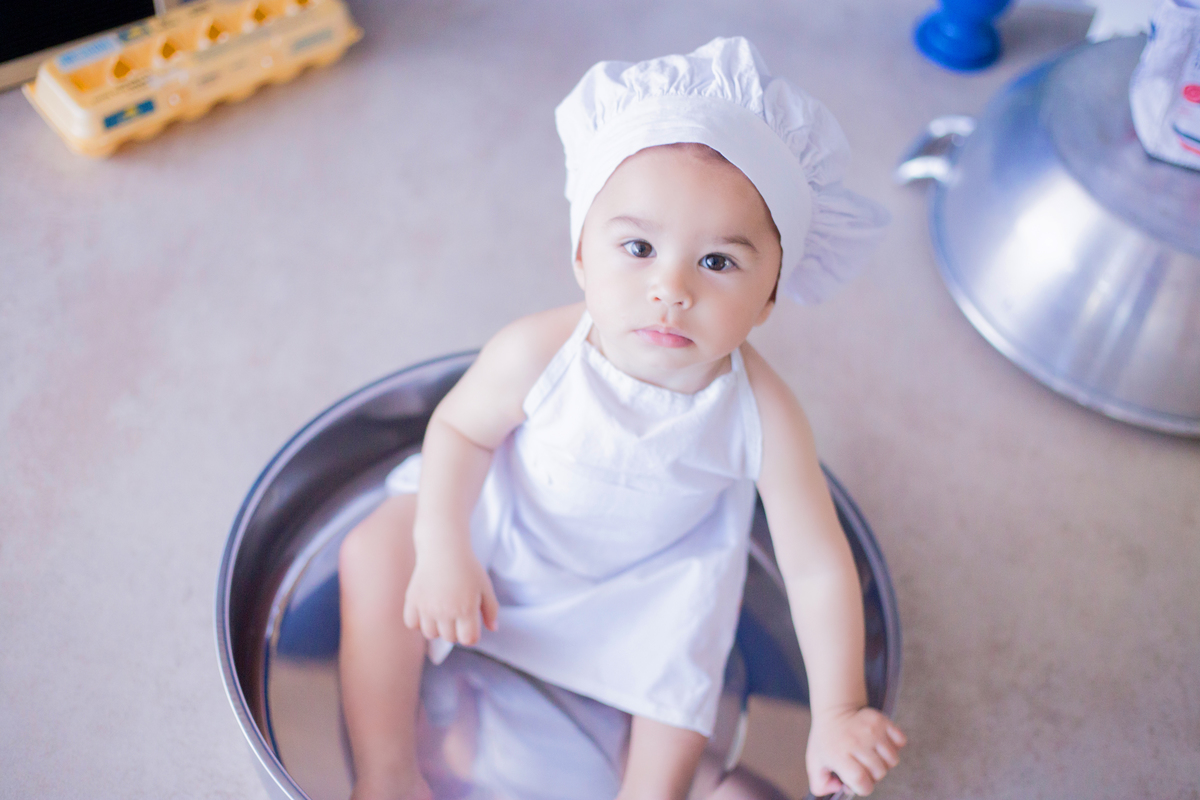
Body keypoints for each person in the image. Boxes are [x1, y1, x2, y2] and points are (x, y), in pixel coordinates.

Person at [337, 36, 907, 800]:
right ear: (581, 255)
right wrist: (444, 549)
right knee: (374, 551)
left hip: (650, 592)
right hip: (508, 534)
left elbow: (813, 565)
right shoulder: (539, 352)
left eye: (718, 263)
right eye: (637, 247)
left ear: (771, 294)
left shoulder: (764, 414)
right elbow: (459, 432)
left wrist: (837, 708)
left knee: (680, 698)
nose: (670, 289)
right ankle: (387, 774)